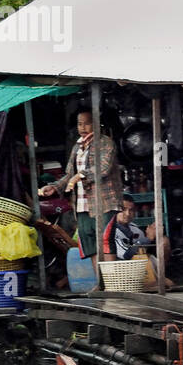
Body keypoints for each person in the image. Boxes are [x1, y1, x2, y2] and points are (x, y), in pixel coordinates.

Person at [40, 108, 122, 259]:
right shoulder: (77, 146)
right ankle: (99, 282)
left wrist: (80, 175)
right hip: (82, 204)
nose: (83, 127)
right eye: (79, 124)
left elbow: (102, 168)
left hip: (104, 202)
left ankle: (110, 282)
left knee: (105, 243)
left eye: (87, 123)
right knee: (89, 244)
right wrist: (54, 187)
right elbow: (69, 174)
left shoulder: (105, 143)